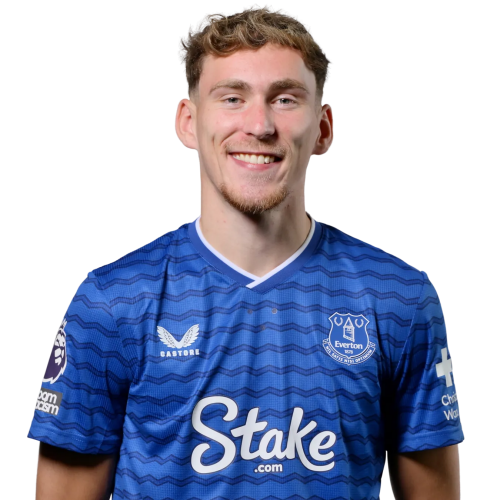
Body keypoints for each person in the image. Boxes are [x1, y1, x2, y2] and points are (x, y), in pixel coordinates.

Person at [29, 5, 463, 499]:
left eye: (285, 99)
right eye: (232, 98)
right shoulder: (111, 301)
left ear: (323, 128)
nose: (259, 125)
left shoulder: (399, 296)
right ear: (188, 122)